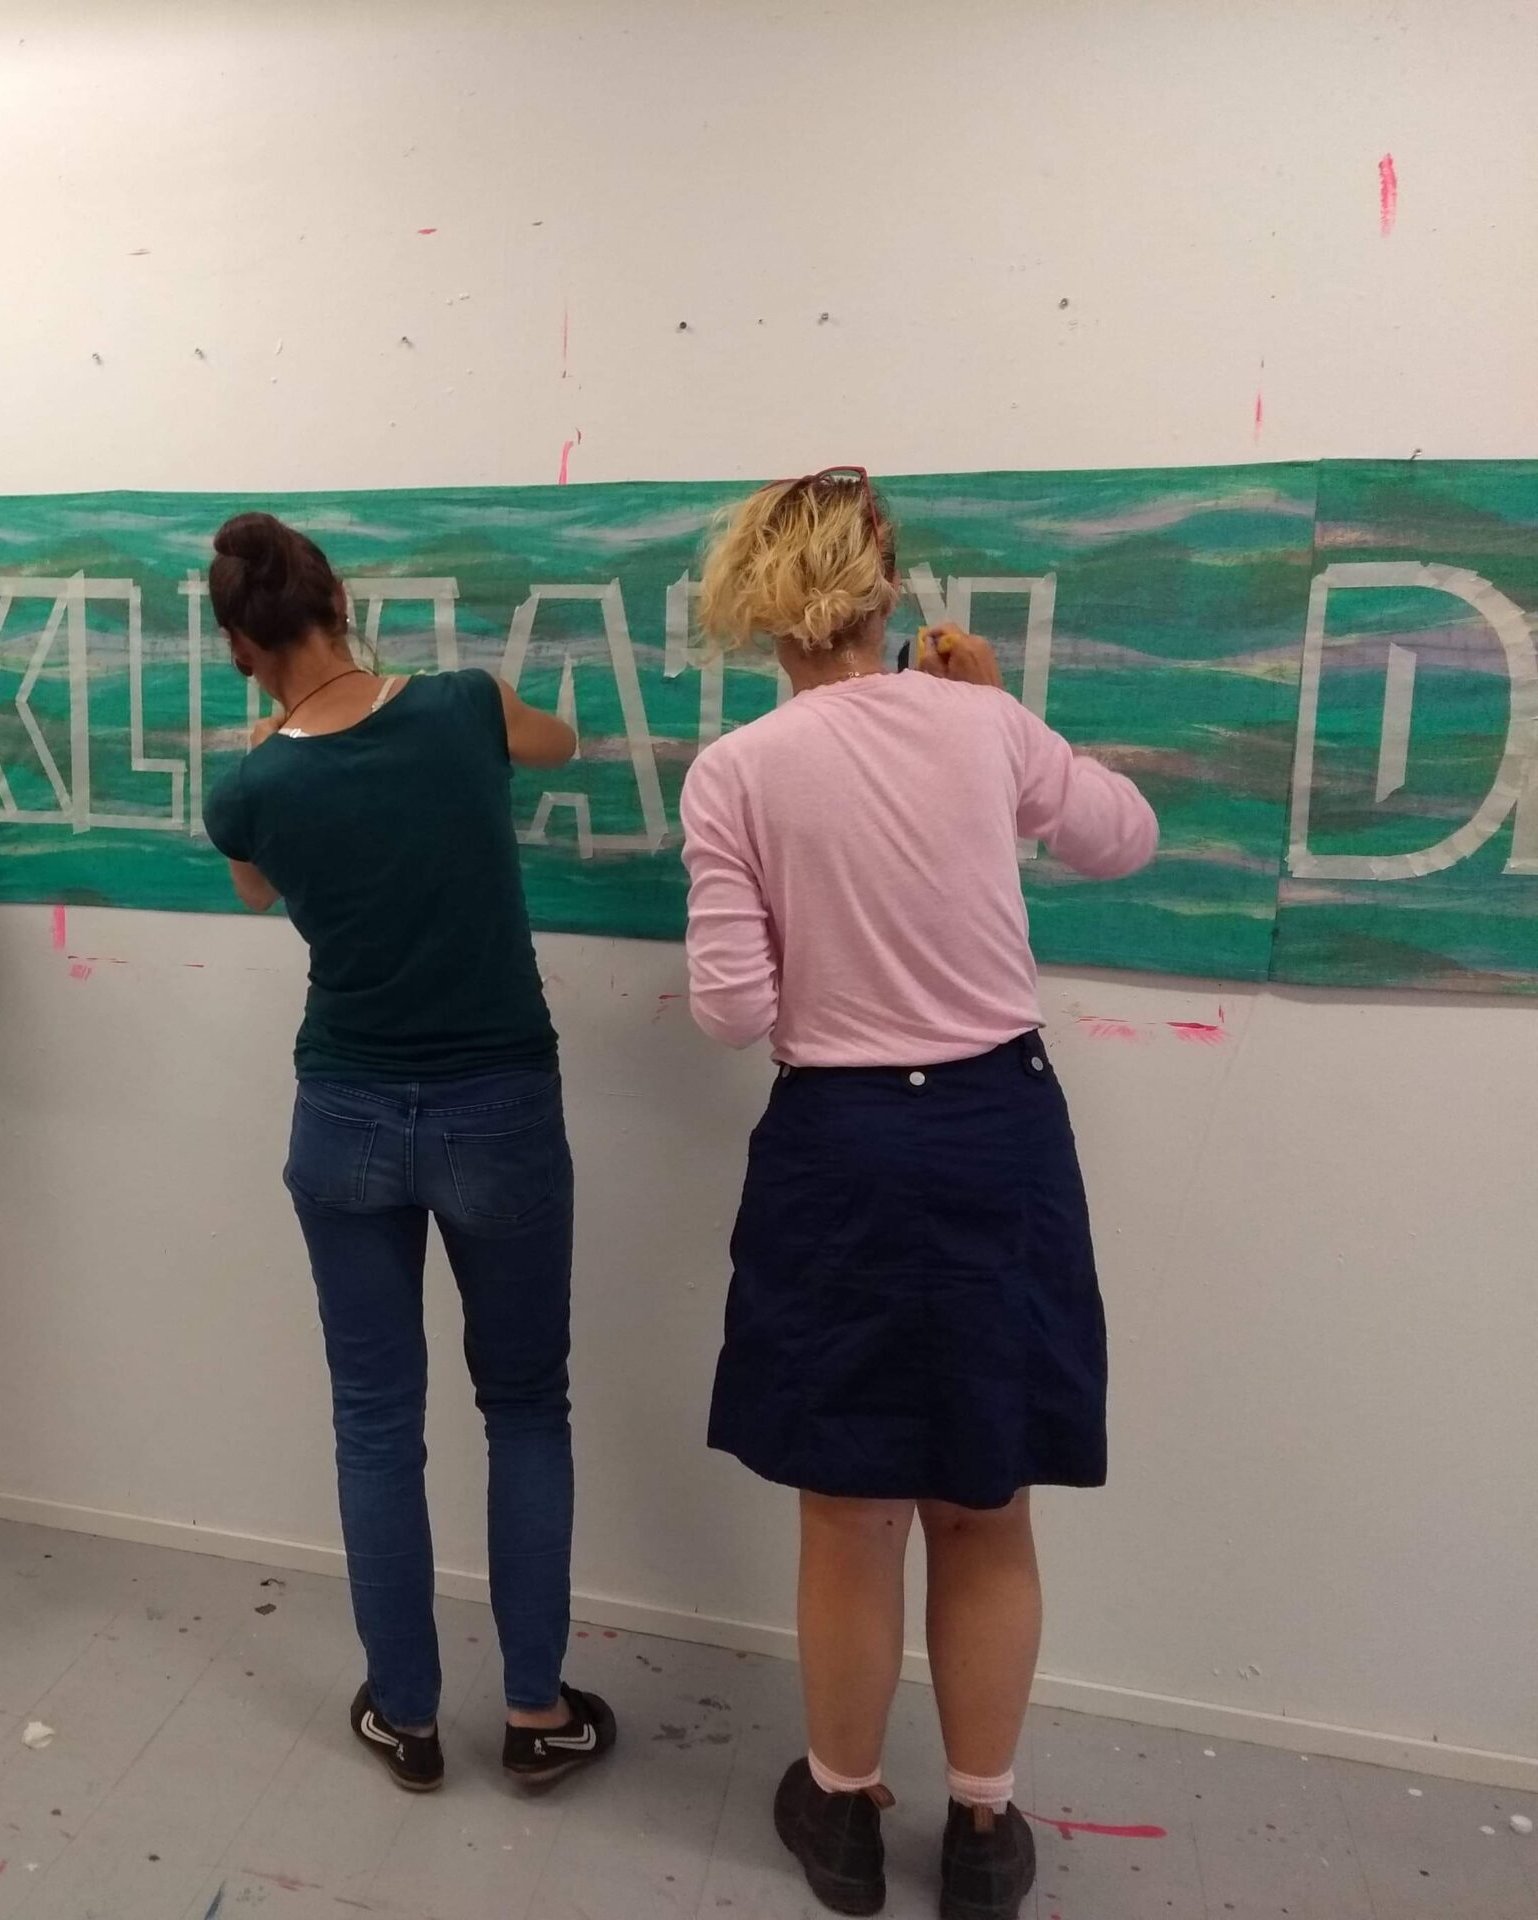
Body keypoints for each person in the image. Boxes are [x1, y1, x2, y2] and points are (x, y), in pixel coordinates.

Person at [679, 468, 1158, 1919]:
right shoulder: (982, 724)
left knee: (848, 1508)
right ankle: (982, 1831)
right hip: (999, 1131)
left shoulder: (737, 771)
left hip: (840, 1145)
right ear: (887, 591)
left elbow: (728, 1009)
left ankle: (838, 1814)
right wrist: (1001, 711)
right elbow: (1123, 837)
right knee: (984, 1501)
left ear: (762, 609)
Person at [200, 511, 617, 1795]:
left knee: (376, 1422)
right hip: (499, 1103)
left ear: (238, 647)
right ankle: (537, 1711)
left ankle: (406, 1713)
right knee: (525, 1406)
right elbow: (563, 740)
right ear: (339, 603)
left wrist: (274, 739)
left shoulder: (248, 786)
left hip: (346, 1113)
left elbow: (260, 888)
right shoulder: (462, 707)